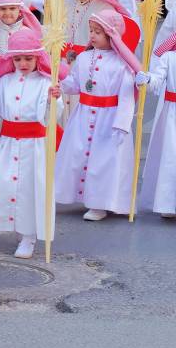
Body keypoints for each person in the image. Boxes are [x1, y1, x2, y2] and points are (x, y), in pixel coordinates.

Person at [0, 31, 61, 259]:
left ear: (37, 58)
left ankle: (29, 235)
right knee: (8, 185)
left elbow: (52, 117)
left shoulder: (45, 83)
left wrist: (53, 99)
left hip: (35, 146)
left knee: (30, 188)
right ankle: (18, 228)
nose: (23, 63)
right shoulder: (4, 82)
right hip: (8, 143)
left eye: (28, 58)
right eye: (17, 59)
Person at [56, 11, 147, 221]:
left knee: (104, 162)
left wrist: (122, 124)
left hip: (109, 119)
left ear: (111, 34)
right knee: (77, 155)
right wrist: (60, 79)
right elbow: (75, 85)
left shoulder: (122, 64)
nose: (92, 35)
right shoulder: (84, 57)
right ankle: (79, 196)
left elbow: (126, 97)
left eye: (98, 32)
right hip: (83, 115)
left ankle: (101, 204)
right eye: (91, 31)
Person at [139, 30, 176, 219]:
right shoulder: (169, 57)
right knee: (170, 157)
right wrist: (147, 78)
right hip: (172, 116)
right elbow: (157, 80)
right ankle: (168, 203)